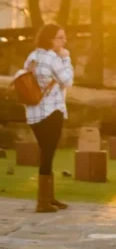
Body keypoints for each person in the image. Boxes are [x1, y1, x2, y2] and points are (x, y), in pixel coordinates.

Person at [23, 24, 74, 213]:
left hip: (34, 113)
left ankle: (48, 198)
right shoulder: (53, 59)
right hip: (51, 112)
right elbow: (68, 81)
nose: (64, 41)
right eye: (60, 37)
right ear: (50, 39)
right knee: (48, 154)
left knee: (47, 153)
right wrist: (67, 59)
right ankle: (43, 202)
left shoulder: (33, 57)